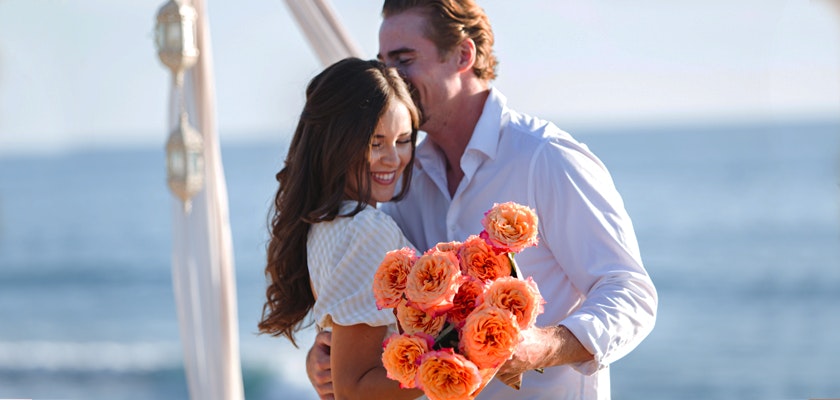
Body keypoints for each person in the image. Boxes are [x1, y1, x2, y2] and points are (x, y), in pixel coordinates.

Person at [306, 1, 658, 399]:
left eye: (404, 60)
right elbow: (375, 304)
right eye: (384, 63)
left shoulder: (547, 157)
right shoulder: (403, 177)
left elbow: (630, 293)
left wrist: (543, 345)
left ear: (462, 54)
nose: (393, 78)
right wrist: (326, 356)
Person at [258, 57, 424, 400]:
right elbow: (354, 389)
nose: (393, 159)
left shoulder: (326, 223)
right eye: (375, 142)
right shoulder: (365, 229)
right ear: (337, 142)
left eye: (403, 140)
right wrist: (468, 361)